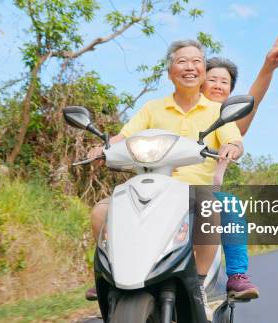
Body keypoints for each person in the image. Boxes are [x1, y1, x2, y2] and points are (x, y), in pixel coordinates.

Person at [84, 40, 244, 316]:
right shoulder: (152, 109)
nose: (190, 66)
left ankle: (201, 285)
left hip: (193, 190)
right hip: (149, 186)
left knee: (211, 210)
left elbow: (233, 140)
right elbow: (122, 137)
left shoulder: (217, 112)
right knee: (102, 212)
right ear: (170, 71)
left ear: (203, 72)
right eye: (182, 61)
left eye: (197, 61)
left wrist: (232, 147)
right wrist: (103, 148)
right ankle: (110, 275)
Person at [200, 34, 278, 300]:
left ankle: (237, 274)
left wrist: (267, 68)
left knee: (230, 205)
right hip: (164, 188)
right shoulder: (175, 110)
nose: (217, 85)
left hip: (202, 194)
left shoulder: (225, 120)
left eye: (224, 82)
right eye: (211, 79)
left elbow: (253, 101)